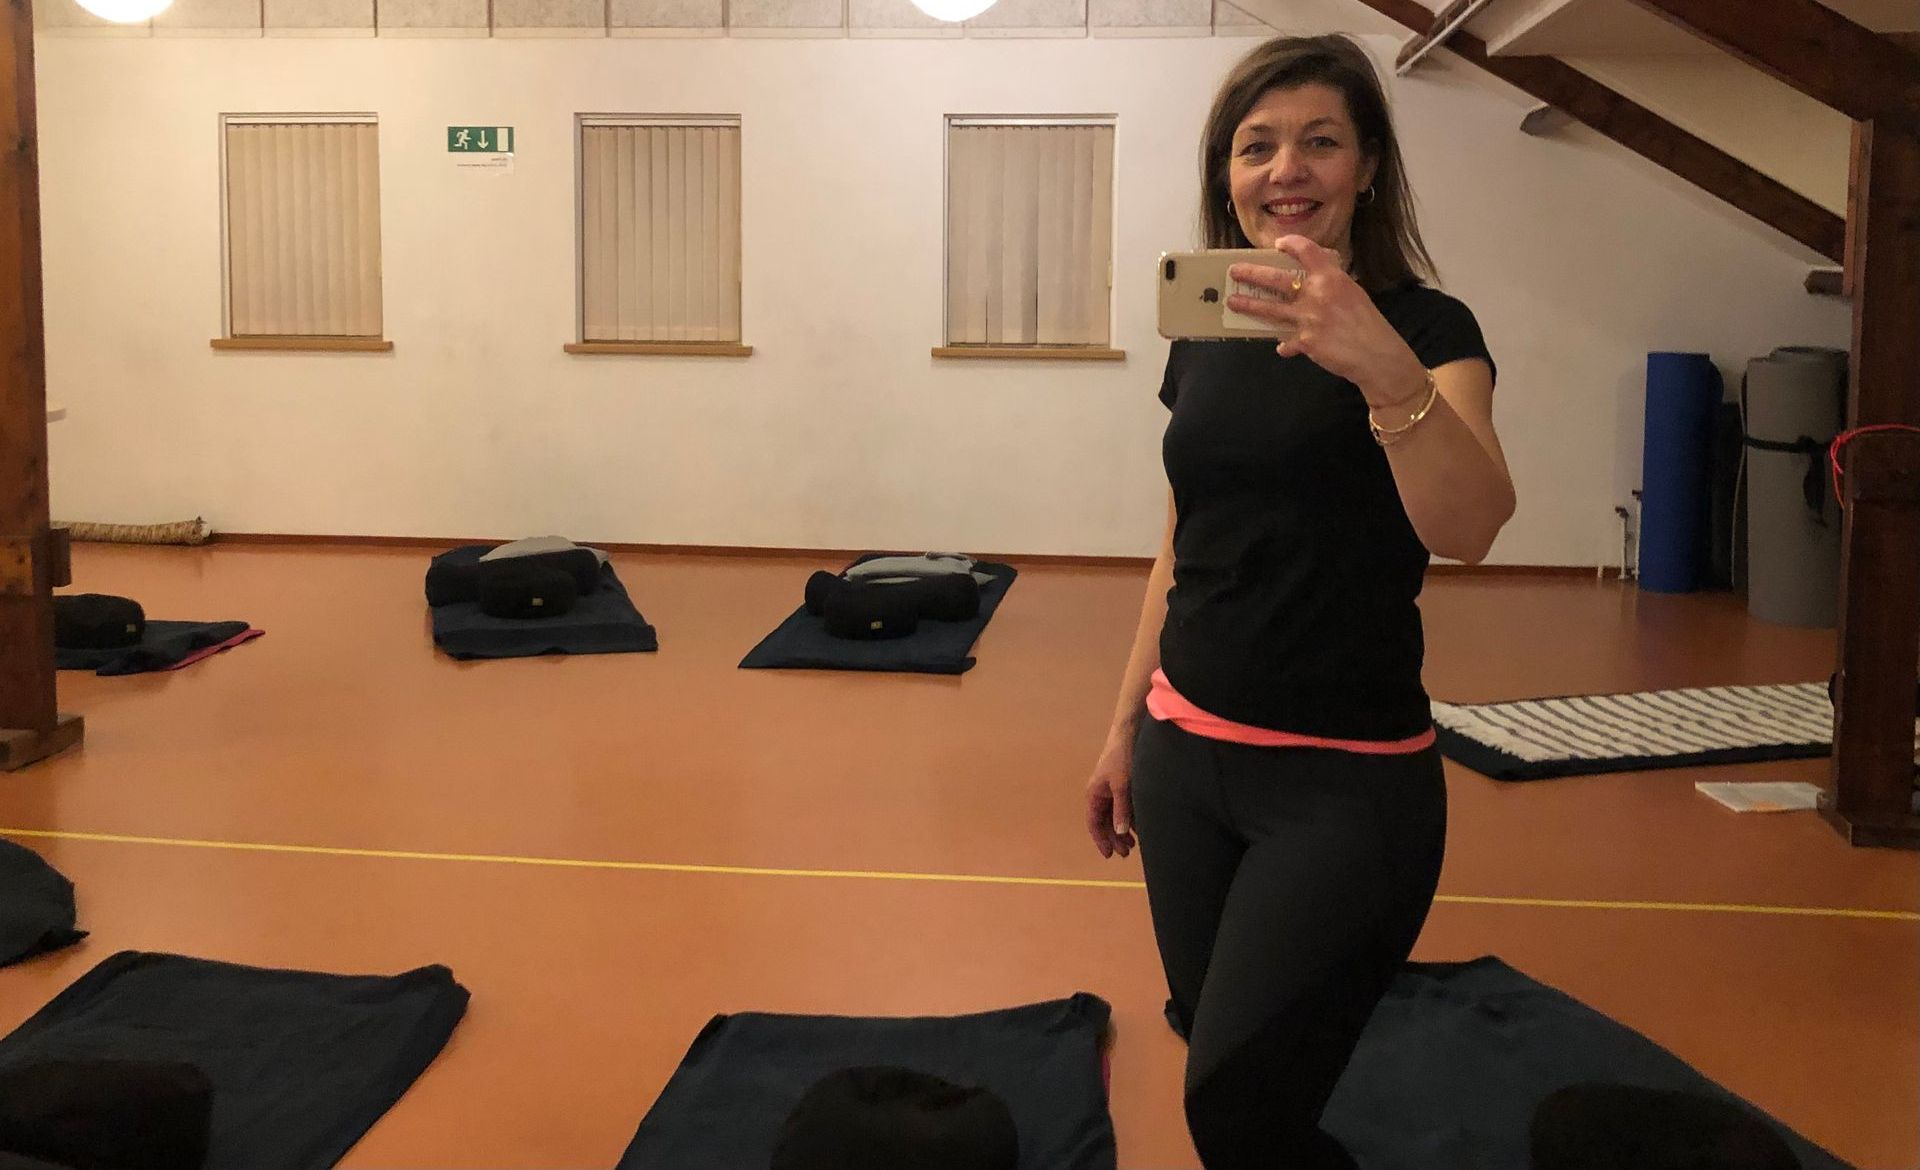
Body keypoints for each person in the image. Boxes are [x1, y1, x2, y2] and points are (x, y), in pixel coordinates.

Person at [1083, 33, 1516, 1169]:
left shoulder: (1431, 334)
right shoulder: (1209, 332)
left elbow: (1470, 526)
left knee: (1238, 1108)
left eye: (1320, 141)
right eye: (1257, 146)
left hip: (1346, 784)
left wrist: (1380, 365)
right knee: (1215, 1044)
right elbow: (1182, 546)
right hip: (1186, 765)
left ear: (1367, 166)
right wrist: (1125, 728)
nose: (1287, 169)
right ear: (1226, 175)